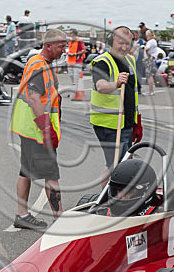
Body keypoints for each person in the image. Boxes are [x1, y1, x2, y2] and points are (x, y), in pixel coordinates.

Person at [10, 29, 67, 231]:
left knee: (25, 170)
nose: (64, 50)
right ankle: (59, 222)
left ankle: (22, 214)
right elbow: (34, 98)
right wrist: (46, 128)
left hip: (30, 129)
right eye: (61, 46)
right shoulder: (38, 66)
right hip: (37, 131)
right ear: (48, 46)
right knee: (52, 175)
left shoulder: (42, 64)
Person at [91, 26, 144, 185]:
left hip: (126, 121)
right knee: (114, 165)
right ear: (110, 42)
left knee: (125, 162)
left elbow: (131, 91)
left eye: (127, 43)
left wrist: (136, 121)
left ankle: (121, 198)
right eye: (120, 43)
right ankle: (104, 202)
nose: (124, 47)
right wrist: (116, 83)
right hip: (108, 123)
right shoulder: (102, 62)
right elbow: (100, 86)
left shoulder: (130, 60)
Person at [66, 29, 86, 94]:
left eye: (71, 33)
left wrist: (75, 54)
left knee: (76, 77)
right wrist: (67, 53)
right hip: (70, 61)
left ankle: (75, 92)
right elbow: (70, 49)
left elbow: (83, 51)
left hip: (77, 61)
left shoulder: (79, 41)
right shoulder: (70, 41)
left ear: (74, 34)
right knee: (71, 75)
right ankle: (74, 89)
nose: (70, 34)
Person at [143, 29, 158, 96]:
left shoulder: (150, 42)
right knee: (150, 75)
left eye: (147, 35)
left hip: (149, 59)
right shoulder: (154, 41)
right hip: (153, 58)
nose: (146, 36)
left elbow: (147, 49)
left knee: (149, 75)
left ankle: (150, 91)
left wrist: (147, 53)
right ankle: (151, 90)